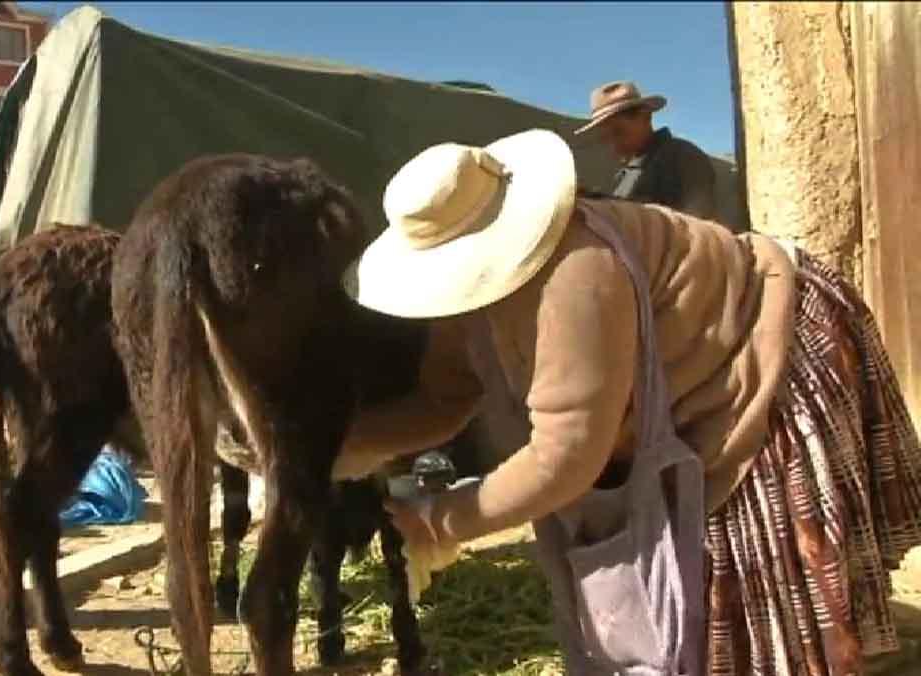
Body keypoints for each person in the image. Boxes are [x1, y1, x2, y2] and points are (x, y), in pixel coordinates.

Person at [333, 130, 921, 675]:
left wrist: (442, 519)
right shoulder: (468, 304)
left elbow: (566, 458)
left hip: (755, 342)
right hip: (674, 382)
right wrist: (337, 453)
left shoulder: (577, 274)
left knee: (732, 590)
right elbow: (447, 393)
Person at [576, 80, 718, 221]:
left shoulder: (684, 157)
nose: (614, 144)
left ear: (645, 116)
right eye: (606, 138)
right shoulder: (624, 175)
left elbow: (695, 229)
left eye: (618, 132)